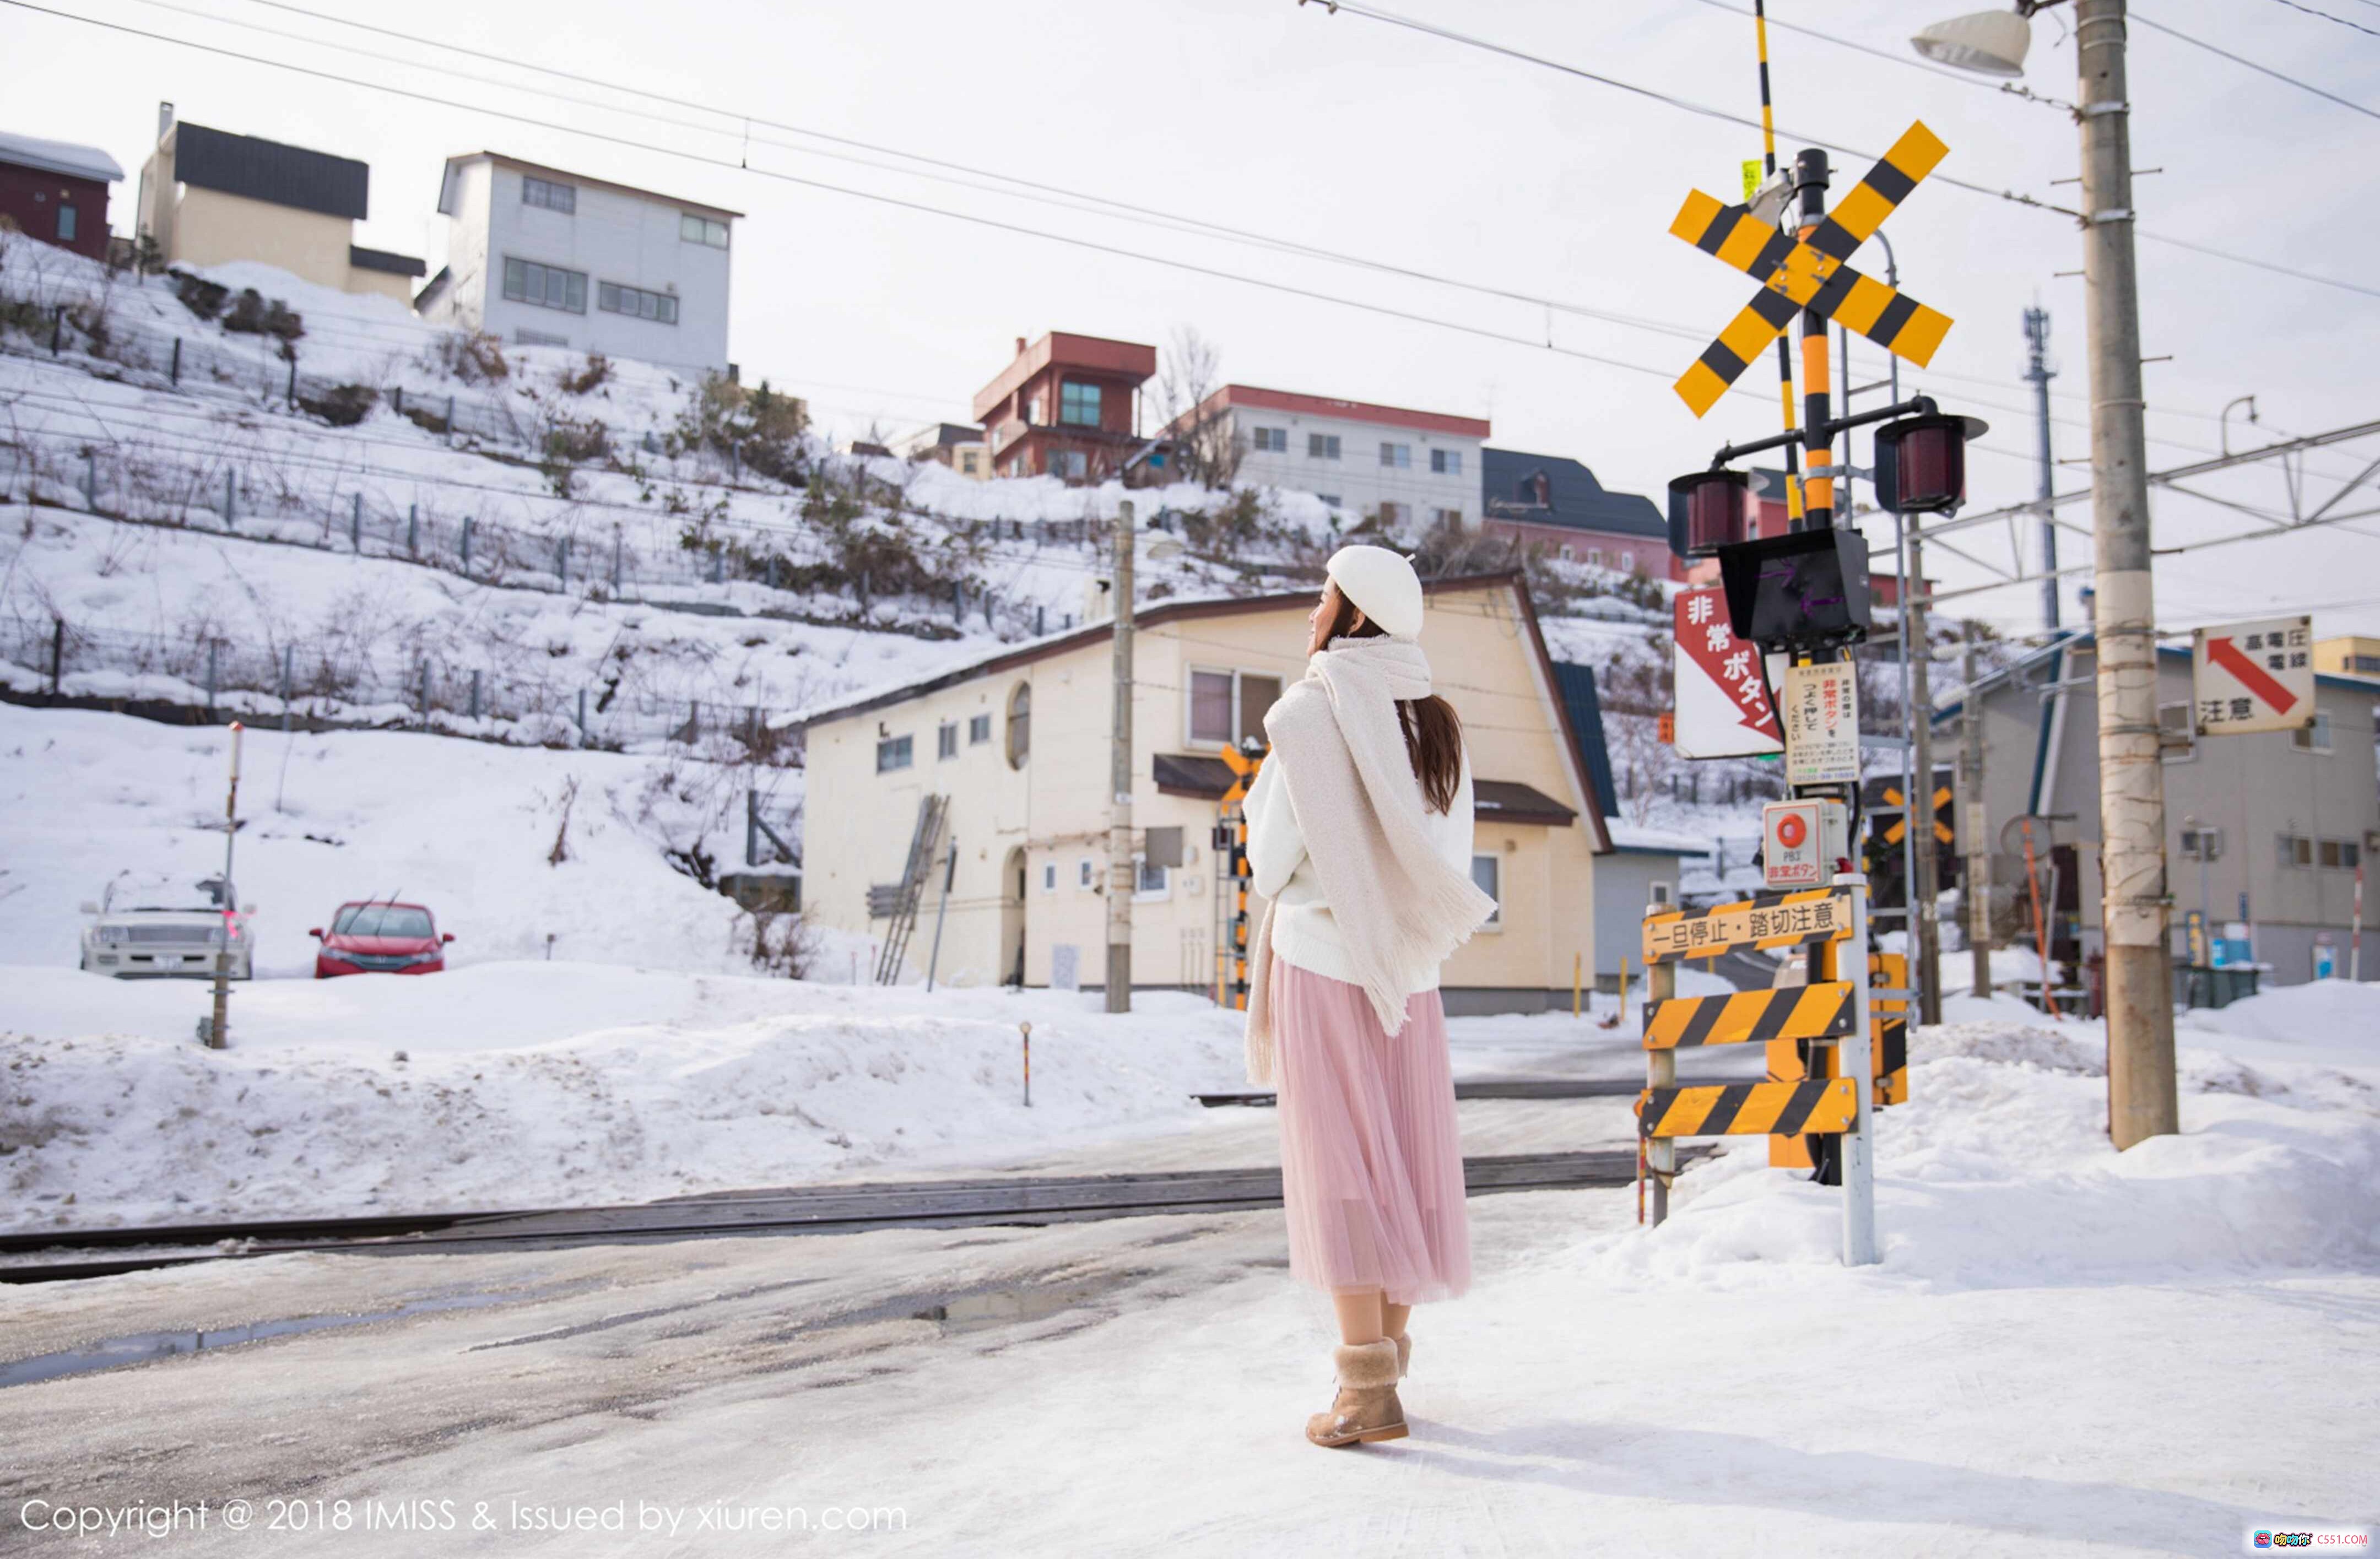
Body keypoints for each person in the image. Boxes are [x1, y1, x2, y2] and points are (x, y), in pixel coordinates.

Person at [1242, 544, 1497, 1448]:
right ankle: (1387, 1368)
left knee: (1341, 1166)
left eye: (1323, 596)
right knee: (1398, 1160)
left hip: (1323, 960)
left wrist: (1261, 804)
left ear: (1352, 614)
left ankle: (1363, 1393)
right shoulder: (1439, 726)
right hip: (1411, 972)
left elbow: (1271, 862)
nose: (1313, 611)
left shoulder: (1306, 718)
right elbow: (1442, 861)